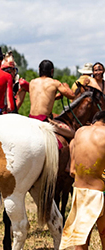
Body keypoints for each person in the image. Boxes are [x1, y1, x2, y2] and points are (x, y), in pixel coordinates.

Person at [59, 110, 105, 250]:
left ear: (93, 122)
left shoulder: (79, 133)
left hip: (80, 194)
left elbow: (72, 171)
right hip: (100, 193)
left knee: (81, 242)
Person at [29, 59, 76, 141]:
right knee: (73, 133)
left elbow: (44, 98)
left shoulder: (32, 82)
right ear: (52, 71)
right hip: (45, 120)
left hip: (31, 119)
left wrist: (56, 96)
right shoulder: (55, 83)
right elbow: (72, 96)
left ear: (39, 70)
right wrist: (66, 86)